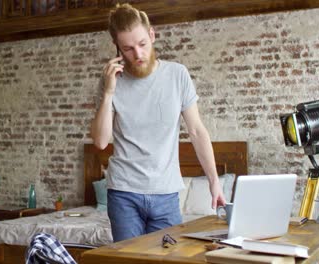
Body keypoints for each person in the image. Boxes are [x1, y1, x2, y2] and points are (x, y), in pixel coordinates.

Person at [90, 3, 226, 242]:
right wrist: (109, 92)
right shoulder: (111, 80)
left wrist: (214, 182)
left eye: (142, 44)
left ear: (152, 35)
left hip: (166, 194)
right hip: (123, 193)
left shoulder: (177, 74)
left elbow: (196, 131)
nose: (138, 54)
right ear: (118, 49)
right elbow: (101, 142)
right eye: (128, 48)